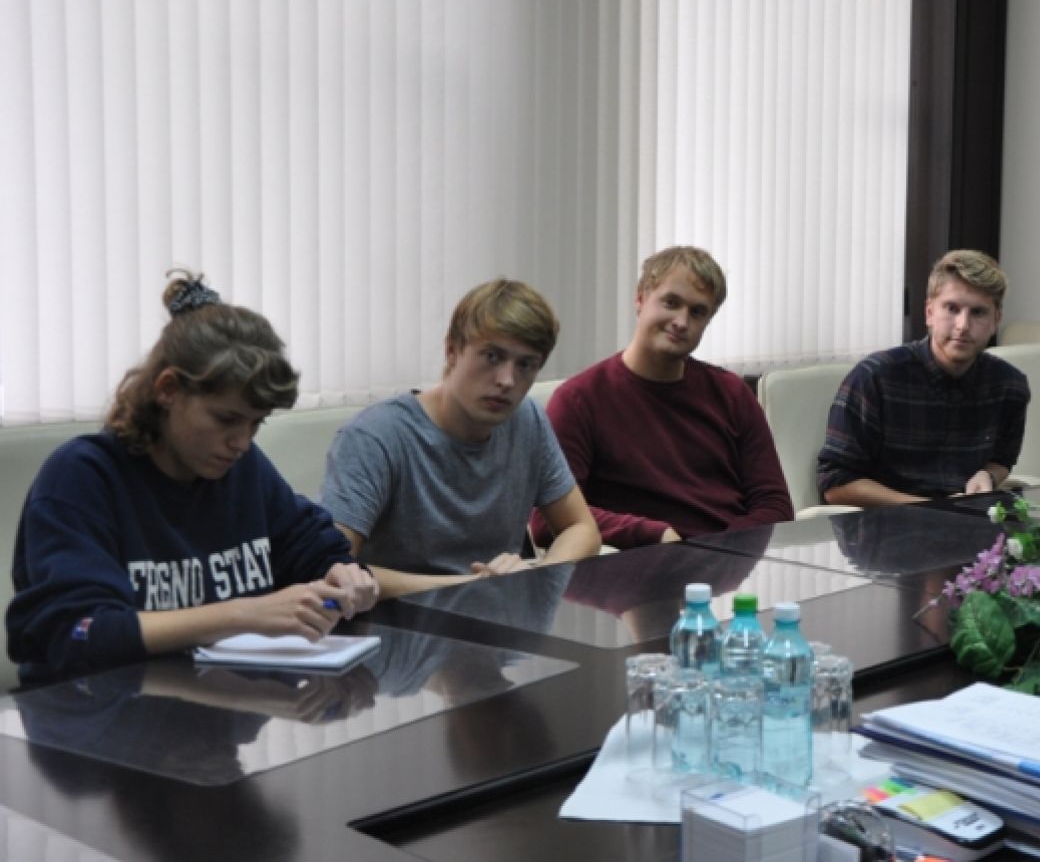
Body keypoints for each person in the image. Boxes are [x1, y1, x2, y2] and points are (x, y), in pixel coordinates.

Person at [6, 273, 378, 686]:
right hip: (97, 712)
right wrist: (244, 614)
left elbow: (311, 547)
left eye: (256, 423)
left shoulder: (241, 468)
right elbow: (76, 634)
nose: (242, 442)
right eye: (226, 419)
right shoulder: (82, 477)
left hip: (217, 705)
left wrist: (342, 573)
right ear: (168, 389)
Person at [320, 280, 600, 597]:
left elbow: (581, 528)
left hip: (499, 616)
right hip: (401, 621)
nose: (507, 380)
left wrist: (535, 577)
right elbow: (333, 569)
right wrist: (470, 588)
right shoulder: (376, 436)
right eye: (492, 357)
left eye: (525, 365)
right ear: (452, 351)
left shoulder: (527, 420)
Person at [530, 246, 792, 549]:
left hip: (728, 562)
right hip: (640, 564)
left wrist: (725, 550)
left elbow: (774, 504)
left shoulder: (732, 393)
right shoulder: (579, 401)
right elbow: (547, 521)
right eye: (671, 303)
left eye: (697, 312)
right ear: (640, 298)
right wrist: (651, 534)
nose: (681, 322)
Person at [817, 249, 1030, 506]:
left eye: (978, 312)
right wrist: (928, 509)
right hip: (888, 523)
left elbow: (1002, 460)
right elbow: (835, 484)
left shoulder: (1010, 386)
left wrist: (988, 475)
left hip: (970, 522)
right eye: (952, 308)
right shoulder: (875, 377)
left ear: (996, 320)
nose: (963, 325)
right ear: (929, 313)